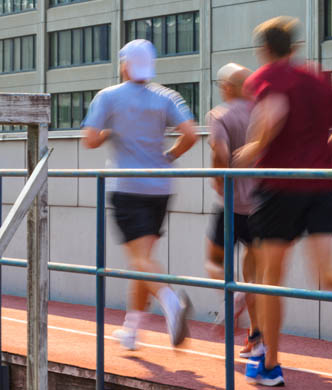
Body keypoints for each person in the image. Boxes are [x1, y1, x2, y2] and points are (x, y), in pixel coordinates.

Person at [235, 17, 332, 386]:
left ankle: (271, 365)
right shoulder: (319, 78)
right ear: (294, 46)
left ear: (264, 49)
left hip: (280, 188)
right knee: (325, 273)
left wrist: (253, 149)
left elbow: (273, 112)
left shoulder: (266, 77)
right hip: (323, 187)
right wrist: (321, 149)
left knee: (271, 280)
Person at [81, 39, 199, 350]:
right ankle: (132, 331)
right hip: (160, 186)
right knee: (143, 261)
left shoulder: (108, 96)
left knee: (140, 260)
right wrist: (169, 156)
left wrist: (111, 130)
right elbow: (190, 134)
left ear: (124, 65)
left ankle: (170, 301)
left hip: (127, 186)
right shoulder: (166, 96)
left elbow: (89, 140)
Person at [205, 63, 262, 357]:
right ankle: (256, 340)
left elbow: (221, 153)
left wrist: (219, 180)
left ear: (227, 87)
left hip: (231, 204)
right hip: (261, 205)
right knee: (255, 275)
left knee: (214, 261)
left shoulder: (220, 115)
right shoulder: (261, 113)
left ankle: (234, 293)